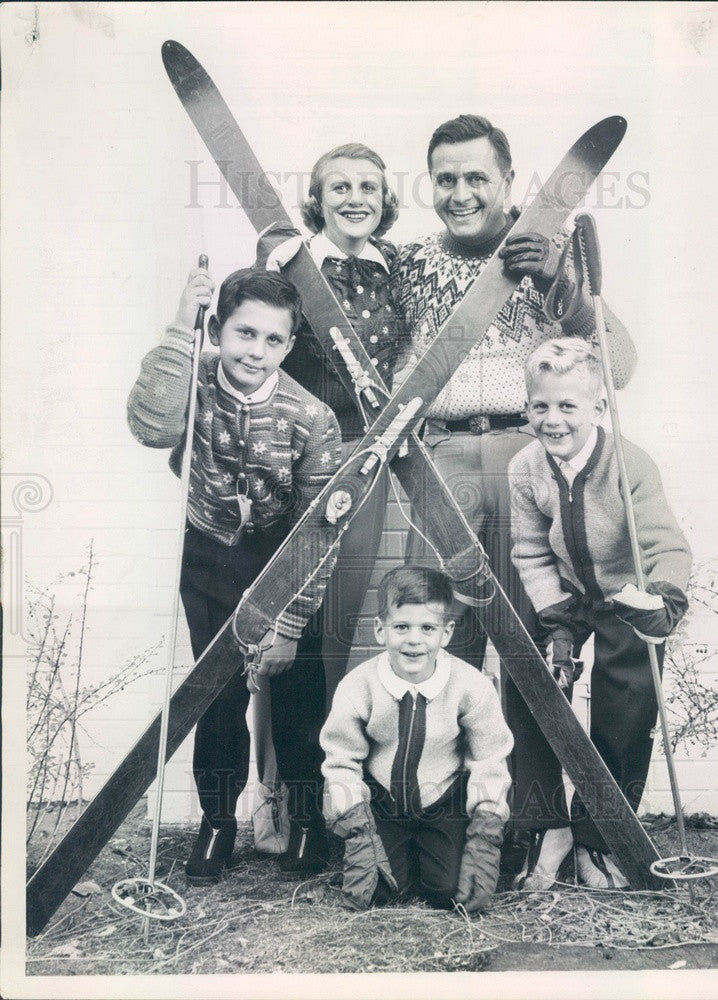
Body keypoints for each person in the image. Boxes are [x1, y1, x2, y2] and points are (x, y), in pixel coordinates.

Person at [393, 113, 638, 877]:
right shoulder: (405, 266)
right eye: (446, 178)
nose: (462, 193)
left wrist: (562, 278)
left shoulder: (542, 256)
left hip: (530, 460)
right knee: (436, 643)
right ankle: (447, 820)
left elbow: (617, 366)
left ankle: (533, 821)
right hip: (438, 463)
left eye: (478, 178)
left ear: (508, 182)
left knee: (532, 646)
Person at [127, 267, 342, 882]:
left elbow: (320, 531)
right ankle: (218, 821)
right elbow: (150, 427)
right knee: (217, 699)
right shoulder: (190, 381)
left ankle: (305, 822)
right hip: (211, 560)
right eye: (244, 333)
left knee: (300, 698)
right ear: (218, 329)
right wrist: (177, 327)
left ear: (289, 345)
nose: (256, 351)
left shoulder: (311, 416)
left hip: (287, 560)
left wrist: (291, 622)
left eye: (273, 341)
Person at [250, 143, 407, 856]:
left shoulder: (396, 270)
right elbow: (252, 339)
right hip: (298, 463)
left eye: (367, 187)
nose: (354, 198)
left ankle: (335, 808)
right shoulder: (289, 266)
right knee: (289, 635)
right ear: (316, 198)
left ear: (384, 198)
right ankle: (281, 807)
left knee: (339, 631)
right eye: (338, 186)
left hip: (367, 465)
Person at [508, 338, 691, 888]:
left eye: (568, 406)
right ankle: (547, 825)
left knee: (625, 707)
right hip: (568, 594)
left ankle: (600, 837)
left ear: (598, 408)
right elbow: (532, 549)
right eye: (541, 406)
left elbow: (668, 546)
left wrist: (662, 599)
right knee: (530, 685)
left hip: (628, 596)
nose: (554, 420)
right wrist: (556, 618)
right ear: (527, 408)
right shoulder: (525, 466)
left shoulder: (629, 463)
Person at [320, 566, 513, 912]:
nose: (414, 640)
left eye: (427, 628)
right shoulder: (358, 685)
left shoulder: (471, 685)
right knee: (378, 892)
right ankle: (393, 852)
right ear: (380, 630)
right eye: (401, 627)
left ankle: (438, 852)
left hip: (443, 803)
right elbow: (340, 761)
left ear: (447, 632)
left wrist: (485, 832)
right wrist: (357, 830)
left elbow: (490, 760)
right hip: (384, 804)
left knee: (449, 891)